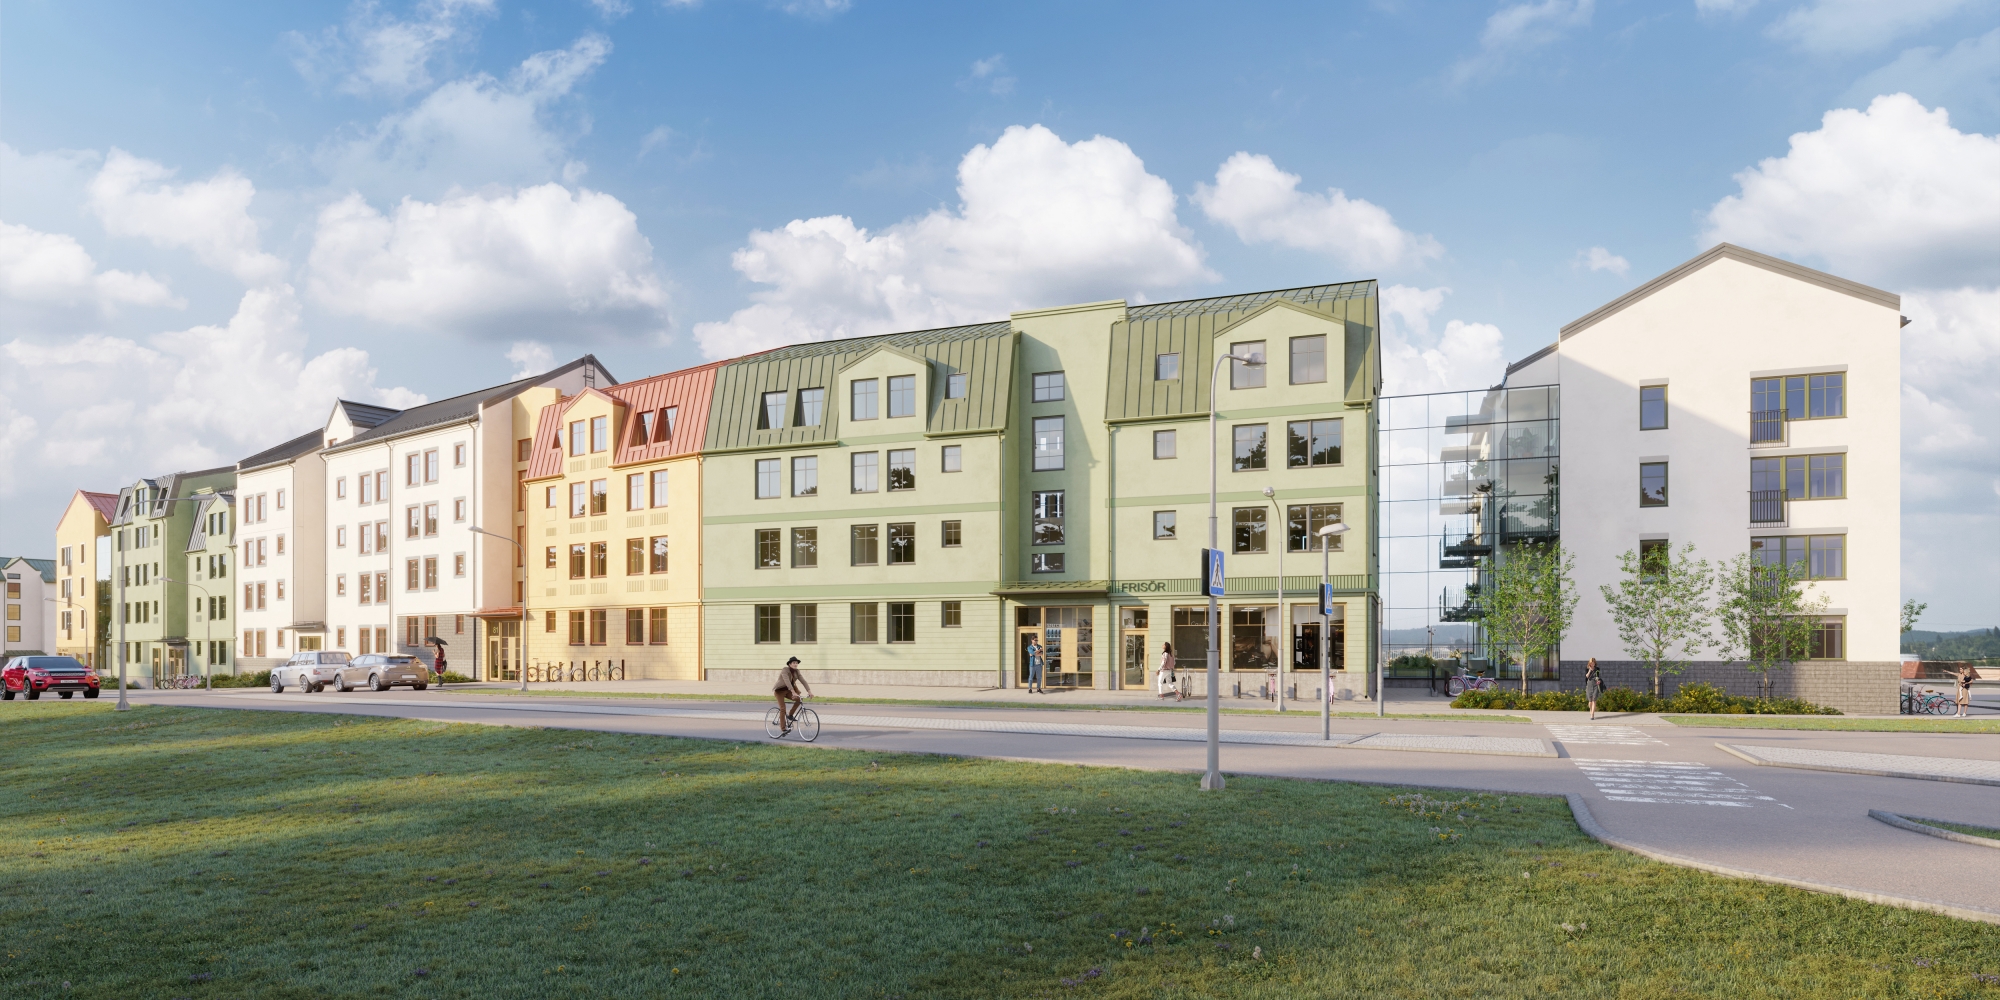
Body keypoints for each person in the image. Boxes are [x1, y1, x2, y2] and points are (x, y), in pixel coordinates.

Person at [774, 656, 812, 733]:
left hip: (788, 691)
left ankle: (790, 715)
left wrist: (809, 691)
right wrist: (793, 692)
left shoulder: (797, 672)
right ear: (790, 664)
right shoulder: (785, 670)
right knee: (783, 708)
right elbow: (787, 681)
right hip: (779, 691)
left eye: (796, 663)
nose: (795, 664)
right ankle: (783, 728)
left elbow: (803, 681)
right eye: (794, 663)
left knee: (799, 699)